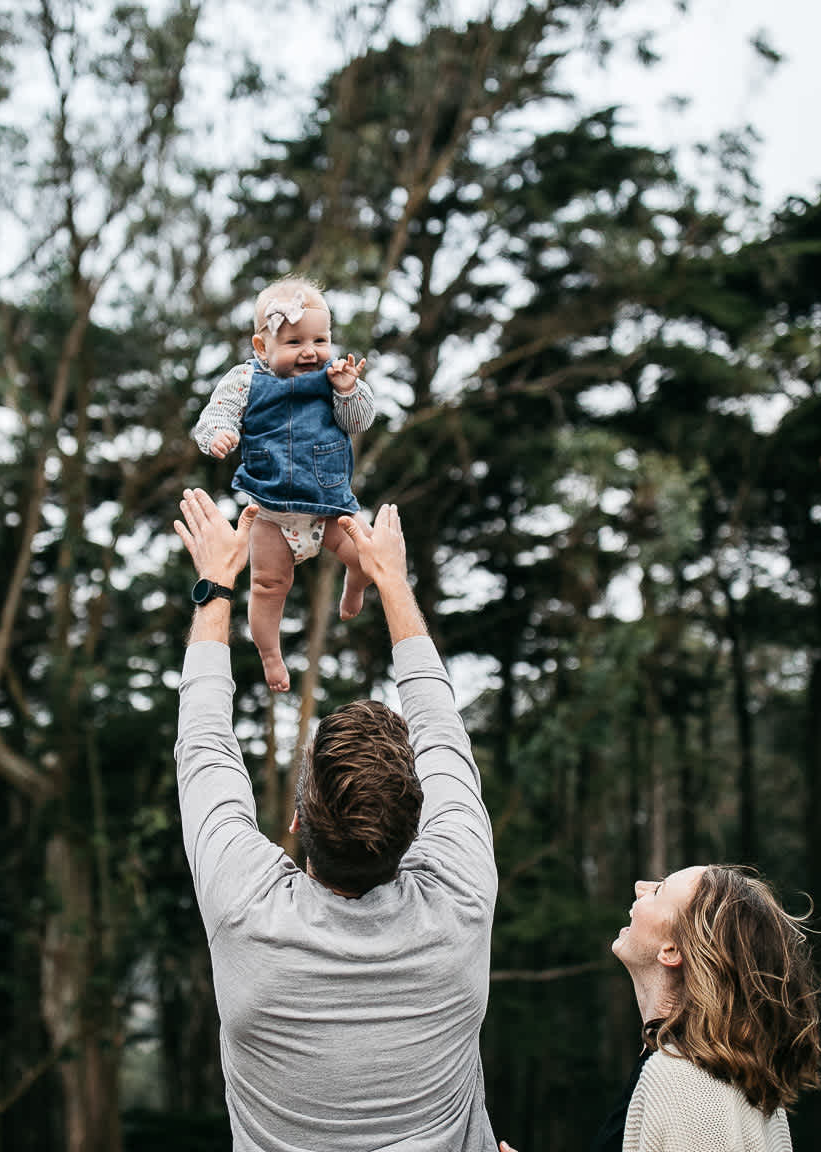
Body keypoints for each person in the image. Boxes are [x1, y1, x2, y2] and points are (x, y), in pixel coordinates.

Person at [172, 488, 499, 1152]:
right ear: (417, 832)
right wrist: (392, 583)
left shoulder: (244, 910)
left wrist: (216, 584)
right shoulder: (460, 898)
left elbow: (205, 741)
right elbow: (439, 725)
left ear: (296, 823)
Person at [503, 865, 821, 1152]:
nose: (640, 886)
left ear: (671, 950)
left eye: (658, 891)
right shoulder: (718, 1076)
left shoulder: (685, 1083)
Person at [191, 276, 376, 693]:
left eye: (320, 339)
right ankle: (270, 655)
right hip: (270, 512)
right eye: (294, 343)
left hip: (328, 506)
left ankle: (356, 582)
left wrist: (349, 392)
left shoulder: (336, 377)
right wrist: (218, 434)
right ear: (262, 348)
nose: (310, 351)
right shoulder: (244, 380)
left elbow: (359, 421)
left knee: (370, 557)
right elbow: (214, 416)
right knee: (268, 586)